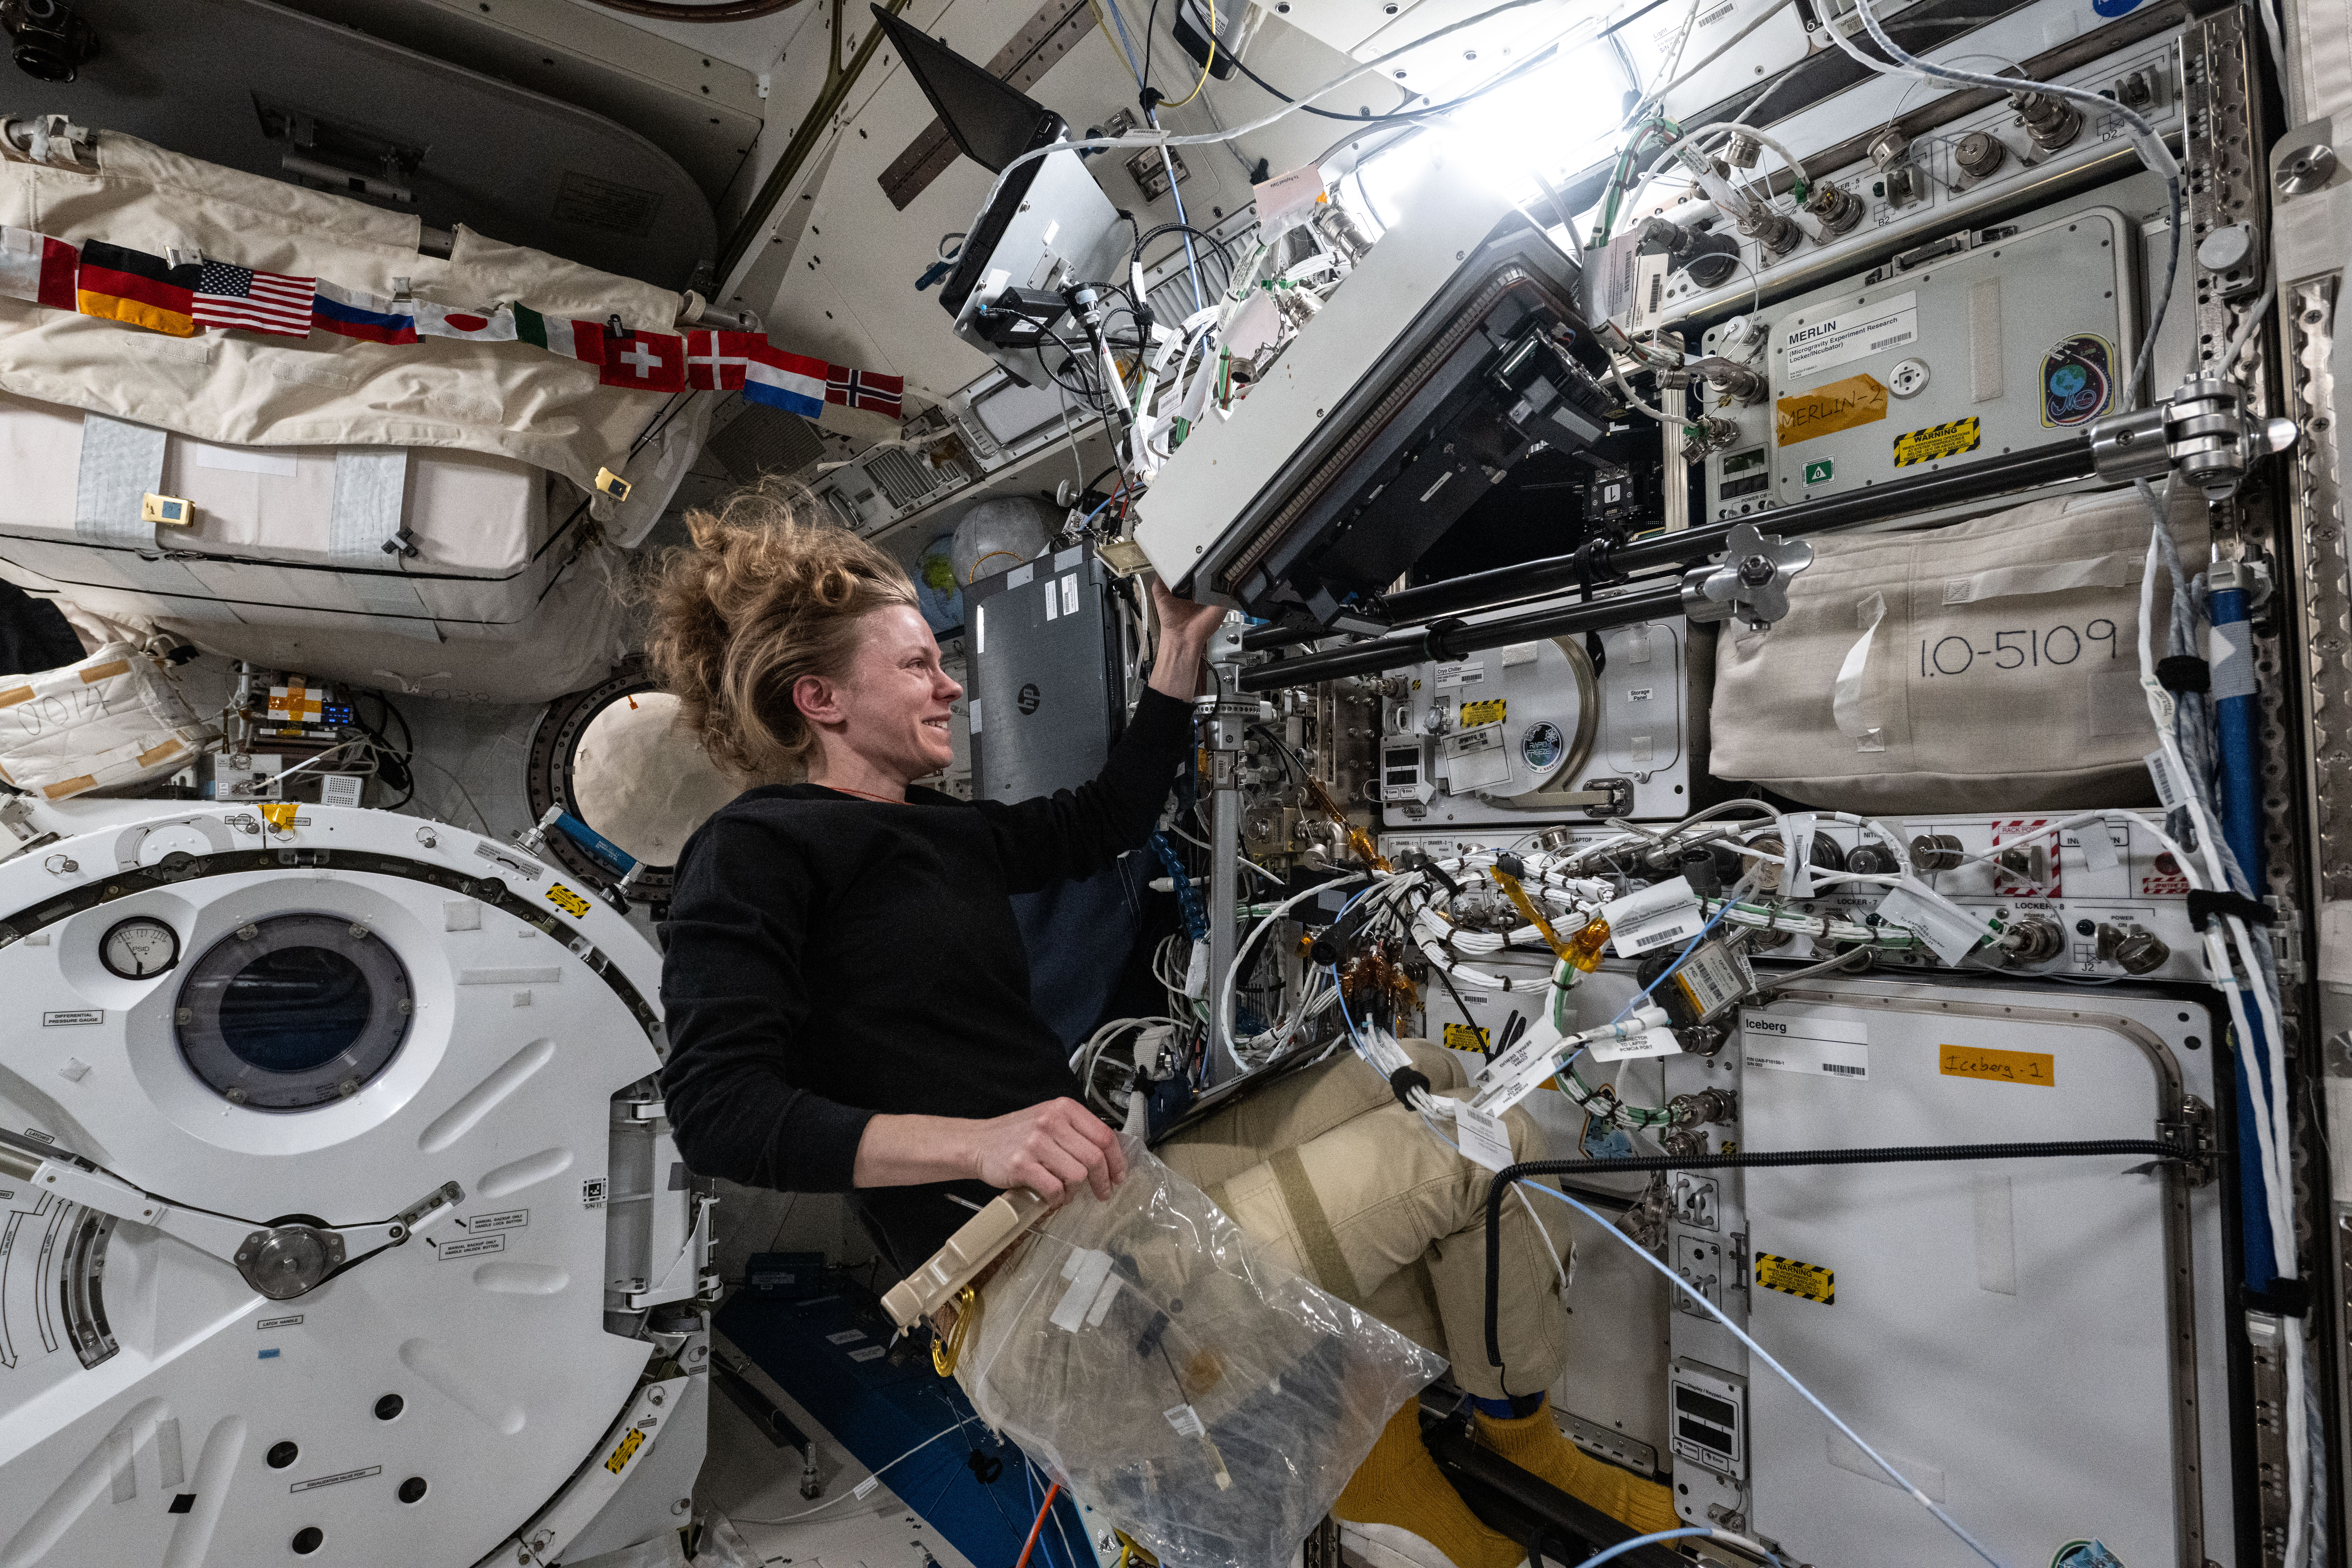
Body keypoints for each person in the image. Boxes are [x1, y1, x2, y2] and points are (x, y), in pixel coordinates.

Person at [649, 482, 1677, 1568]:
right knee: (1482, 1149)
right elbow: (717, 1111)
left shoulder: (936, 832)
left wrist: (1176, 658)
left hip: (1099, 1198)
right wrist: (979, 1141)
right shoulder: (757, 849)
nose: (952, 685)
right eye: (917, 667)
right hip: (1028, 1291)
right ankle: (1522, 1450)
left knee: (1415, 1068)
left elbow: (1102, 823)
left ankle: (1408, 1451)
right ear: (820, 699)